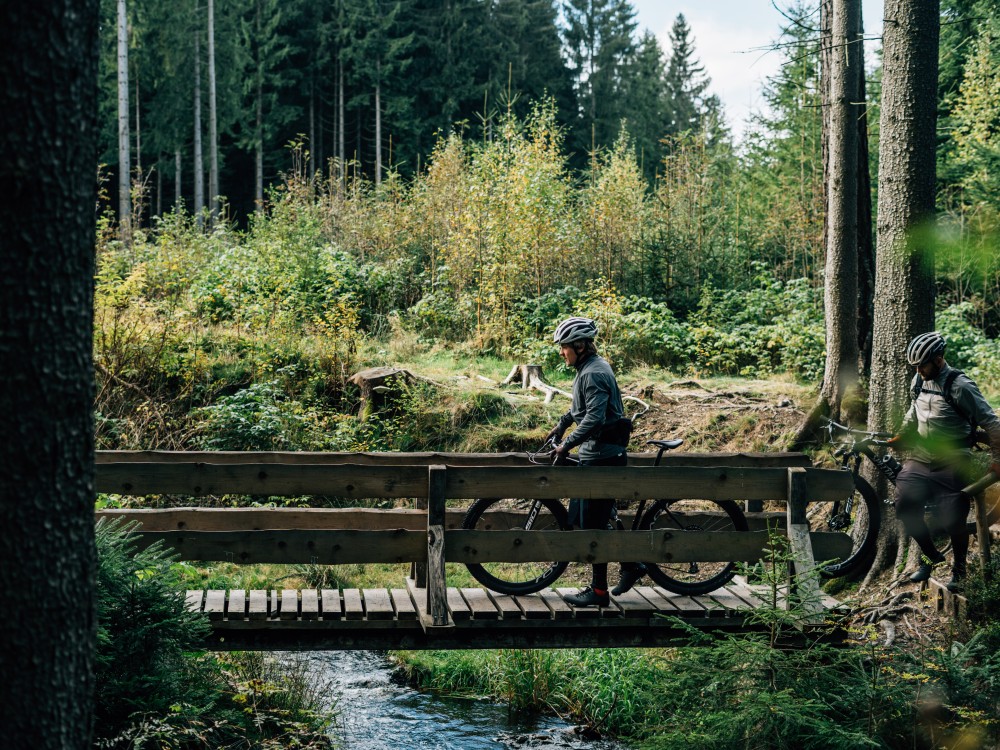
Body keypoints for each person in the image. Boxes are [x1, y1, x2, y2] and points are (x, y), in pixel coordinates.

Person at [545, 316, 643, 607]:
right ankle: (631, 565)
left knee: (594, 527)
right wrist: (562, 424)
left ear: (579, 345)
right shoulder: (588, 368)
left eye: (564, 347)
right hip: (597, 453)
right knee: (603, 517)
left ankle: (599, 592)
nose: (561, 352)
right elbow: (581, 409)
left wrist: (567, 445)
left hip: (602, 457)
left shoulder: (593, 373)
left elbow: (595, 418)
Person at [893, 331, 1000, 592]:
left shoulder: (960, 386)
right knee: (903, 505)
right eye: (915, 366)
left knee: (953, 517)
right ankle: (930, 556)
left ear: (939, 359)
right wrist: (903, 433)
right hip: (921, 456)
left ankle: (960, 570)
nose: (918, 370)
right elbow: (913, 409)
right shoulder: (918, 380)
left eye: (922, 365)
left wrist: (998, 460)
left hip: (954, 457)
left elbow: (992, 423)